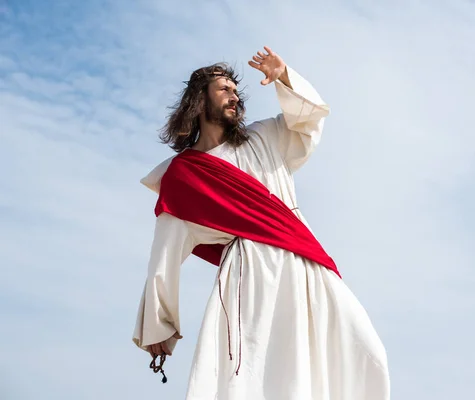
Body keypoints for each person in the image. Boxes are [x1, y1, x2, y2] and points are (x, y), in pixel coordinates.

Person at [132, 46, 390, 400]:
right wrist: (158, 324)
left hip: (307, 265)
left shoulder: (264, 136)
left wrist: (284, 77)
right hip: (252, 276)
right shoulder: (186, 175)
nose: (234, 95)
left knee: (365, 352)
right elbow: (165, 251)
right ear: (199, 100)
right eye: (224, 89)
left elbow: (309, 120)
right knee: (263, 379)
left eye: (236, 90)